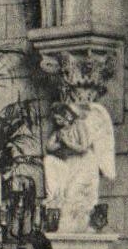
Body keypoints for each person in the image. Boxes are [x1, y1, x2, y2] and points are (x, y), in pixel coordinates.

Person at [41, 56, 115, 231]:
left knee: (76, 194)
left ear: (68, 116)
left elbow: (82, 148)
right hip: (70, 163)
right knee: (55, 173)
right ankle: (64, 218)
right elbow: (49, 148)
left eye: (60, 119)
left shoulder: (81, 125)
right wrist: (58, 142)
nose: (58, 122)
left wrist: (67, 143)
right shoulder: (61, 130)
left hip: (85, 162)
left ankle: (81, 222)